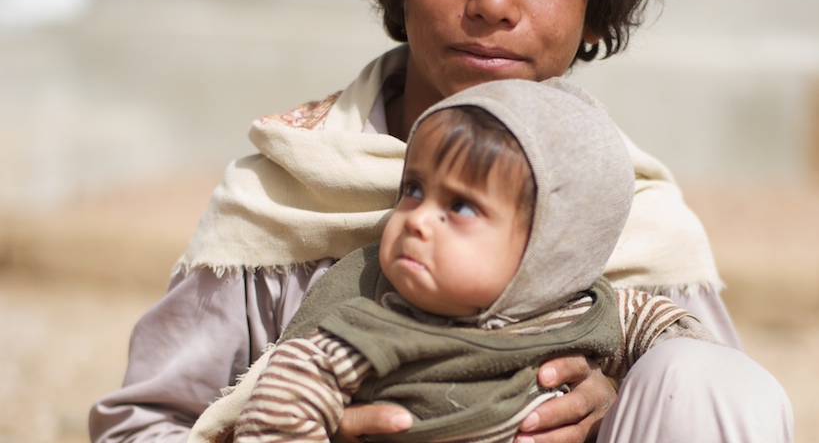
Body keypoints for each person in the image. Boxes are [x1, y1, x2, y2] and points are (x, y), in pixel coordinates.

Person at [90, 0, 794, 442]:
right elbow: (141, 426)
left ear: (593, 3)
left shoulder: (634, 216)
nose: (493, 0)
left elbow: (703, 394)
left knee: (710, 380)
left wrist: (616, 395)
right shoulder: (285, 193)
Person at [190, 78, 718, 443]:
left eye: (460, 206)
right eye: (413, 191)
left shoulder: (587, 309)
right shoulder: (379, 322)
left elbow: (671, 341)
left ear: (550, 246)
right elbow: (294, 385)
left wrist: (630, 400)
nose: (418, 219)